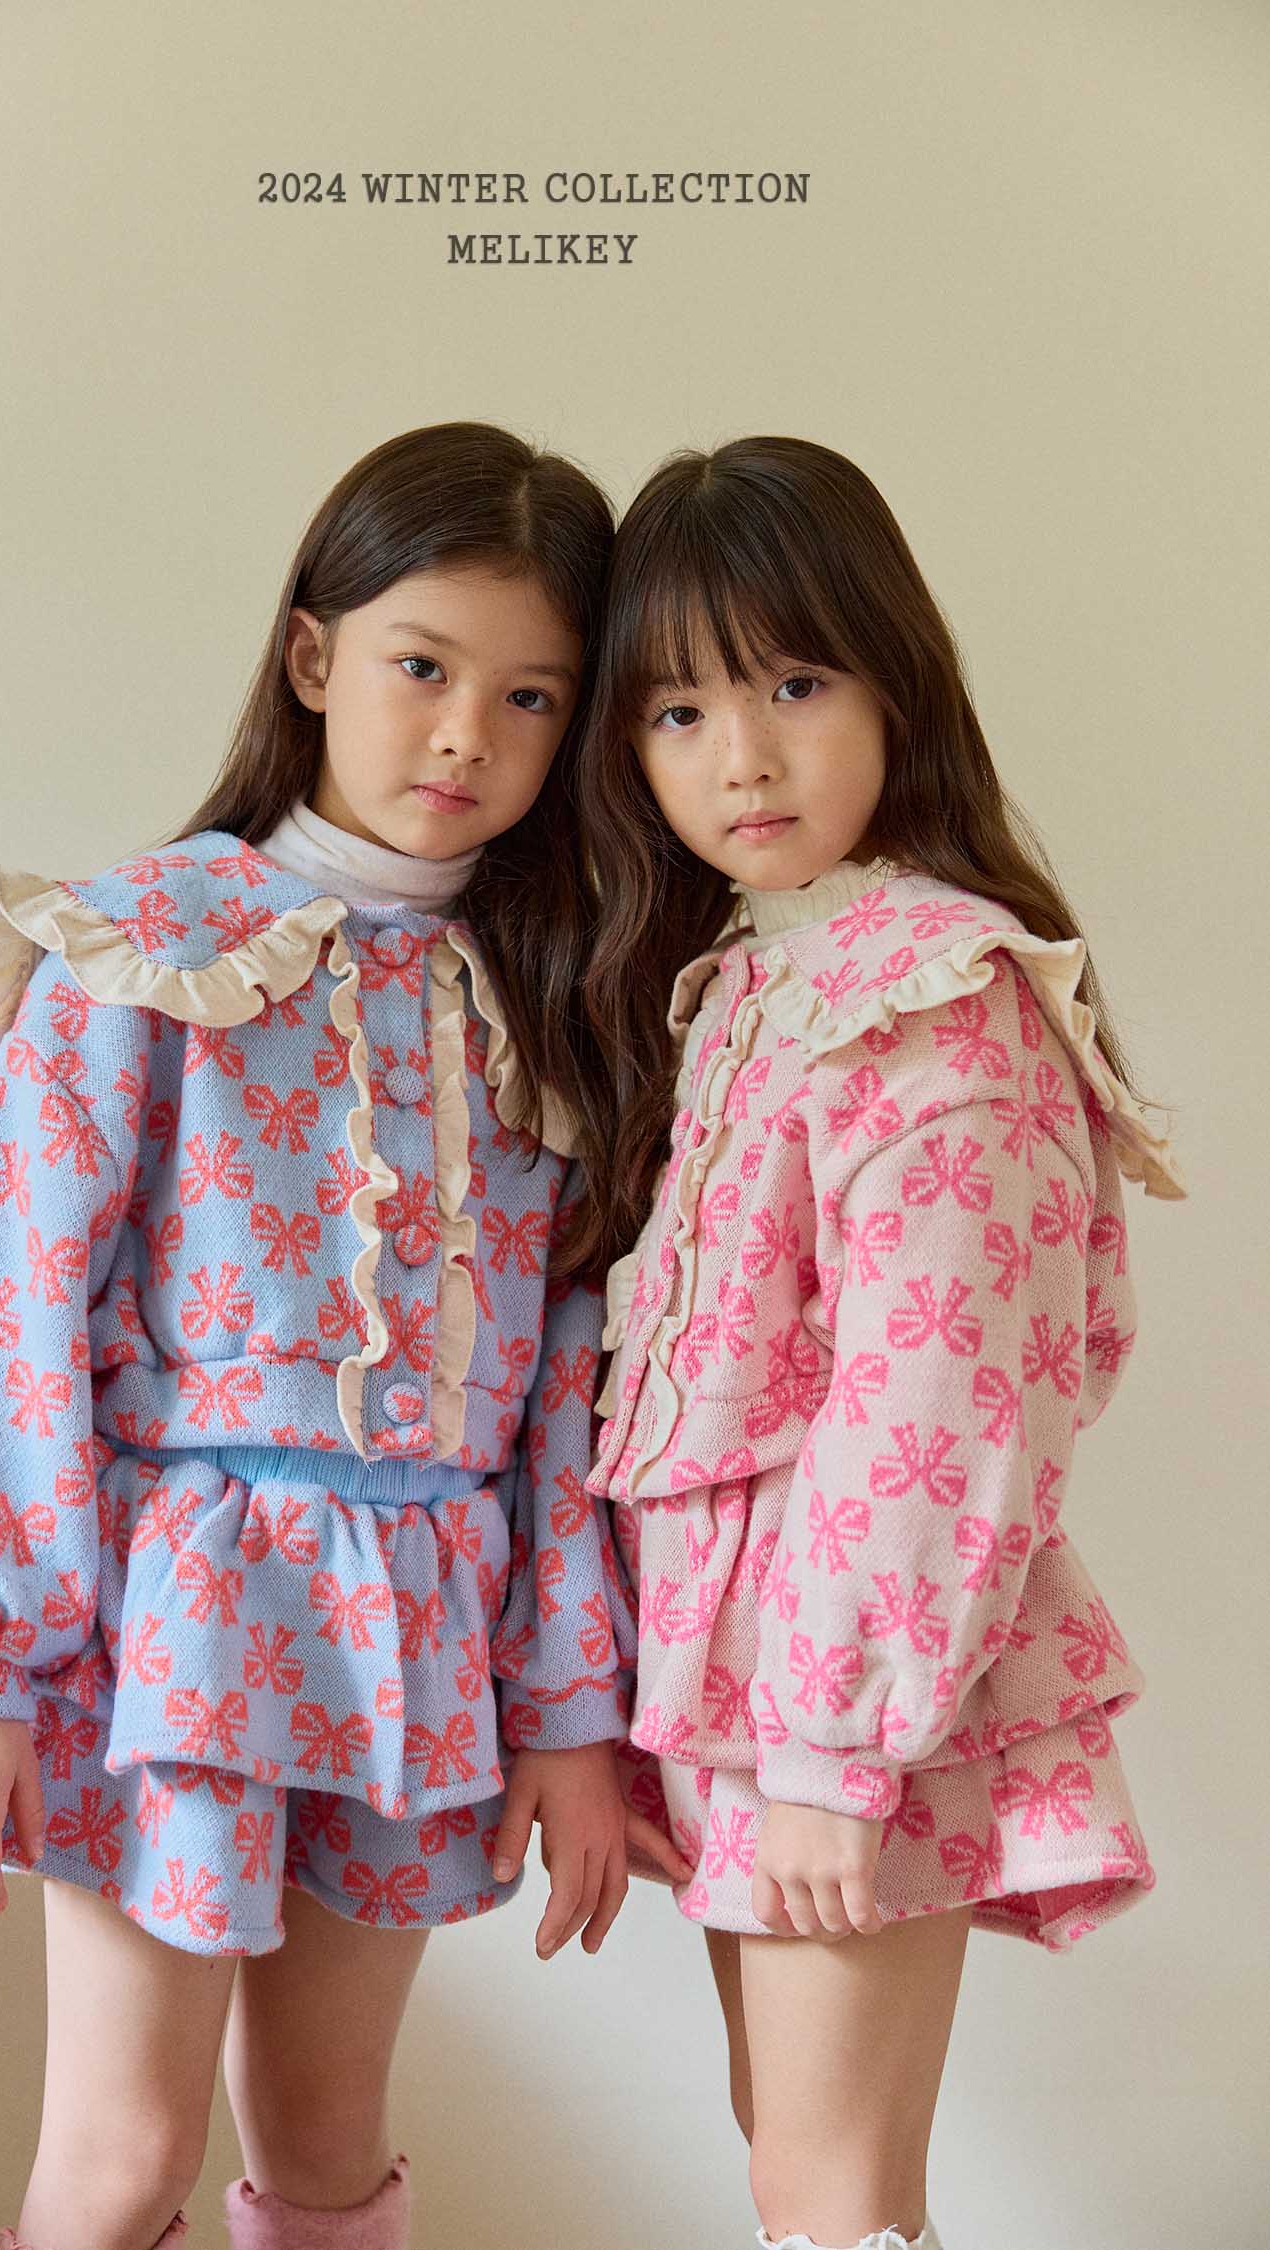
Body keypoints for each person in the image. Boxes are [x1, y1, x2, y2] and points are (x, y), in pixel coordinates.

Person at [0, 421, 684, 2250]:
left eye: (531, 696)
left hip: (424, 1629)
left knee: (325, 2134)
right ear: (313, 656)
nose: (467, 735)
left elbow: (556, 1396)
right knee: (124, 2153)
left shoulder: (546, 1010)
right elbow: (5, 1307)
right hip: (181, 1619)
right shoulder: (146, 946)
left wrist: (567, 1712)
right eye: (421, 666)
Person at [576, 436, 1187, 2250]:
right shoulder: (766, 972)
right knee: (801, 2163)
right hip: (752, 1672)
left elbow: (943, 1403)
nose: (741, 758)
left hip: (845, 1680)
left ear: (894, 684)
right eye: (679, 711)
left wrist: (836, 1754)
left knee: (825, 2192)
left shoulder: (935, 991)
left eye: (793, 683)